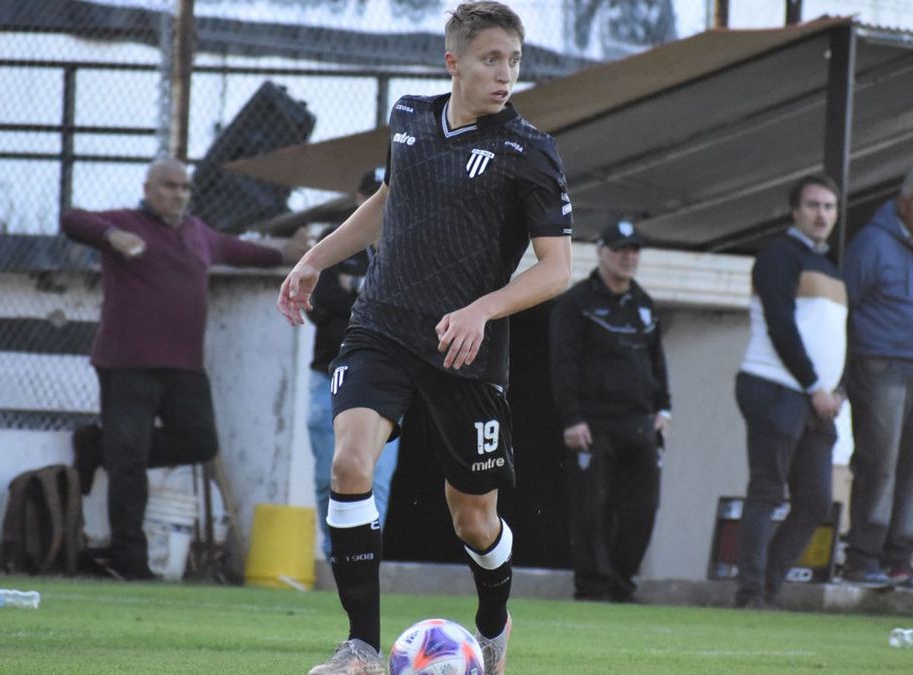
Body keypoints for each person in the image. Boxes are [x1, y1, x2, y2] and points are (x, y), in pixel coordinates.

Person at [278, 4, 573, 673]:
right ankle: (360, 648)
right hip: (382, 324)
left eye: (515, 61)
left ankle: (494, 625)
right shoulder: (409, 115)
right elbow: (389, 200)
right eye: (491, 59)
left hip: (465, 351)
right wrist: (314, 258)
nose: (506, 74)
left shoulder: (529, 151)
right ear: (454, 63)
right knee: (350, 464)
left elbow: (557, 270)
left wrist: (481, 310)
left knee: (472, 517)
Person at [61, 159, 303, 580]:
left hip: (184, 365)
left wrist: (290, 252)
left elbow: (244, 250)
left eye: (185, 188)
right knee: (130, 465)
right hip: (127, 363)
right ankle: (129, 561)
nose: (179, 194)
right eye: (170, 186)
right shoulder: (126, 223)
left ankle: (100, 448)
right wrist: (112, 236)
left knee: (199, 441)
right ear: (149, 188)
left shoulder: (198, 234)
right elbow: (70, 218)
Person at [733, 174, 846, 609]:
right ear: (795, 211)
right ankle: (749, 595)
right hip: (775, 387)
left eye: (829, 207)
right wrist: (817, 385)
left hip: (818, 400)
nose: (822, 214)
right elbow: (781, 326)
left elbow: (835, 335)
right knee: (767, 489)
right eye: (814, 206)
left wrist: (837, 391)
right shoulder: (780, 255)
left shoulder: (828, 264)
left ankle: (767, 588)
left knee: (816, 501)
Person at [548, 220, 671, 604]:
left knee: (642, 507)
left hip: (638, 421)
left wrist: (664, 407)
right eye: (620, 249)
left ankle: (622, 584)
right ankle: (593, 587)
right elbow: (562, 362)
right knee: (591, 508)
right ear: (600, 251)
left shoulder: (643, 304)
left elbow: (656, 360)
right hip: (592, 421)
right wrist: (571, 417)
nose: (628, 257)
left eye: (633, 250)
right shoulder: (576, 302)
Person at [839, 168, 913, 594]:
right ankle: (862, 557)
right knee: (878, 463)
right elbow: (844, 305)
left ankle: (899, 560)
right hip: (879, 366)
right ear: (903, 201)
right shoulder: (871, 242)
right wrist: (843, 374)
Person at [306, 168, 400, 559]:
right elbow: (320, 304)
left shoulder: (410, 242)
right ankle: (334, 558)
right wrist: (366, 302)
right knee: (330, 475)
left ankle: (366, 560)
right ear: (362, 197)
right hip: (330, 374)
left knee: (375, 479)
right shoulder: (338, 240)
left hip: (385, 377)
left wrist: (356, 298)